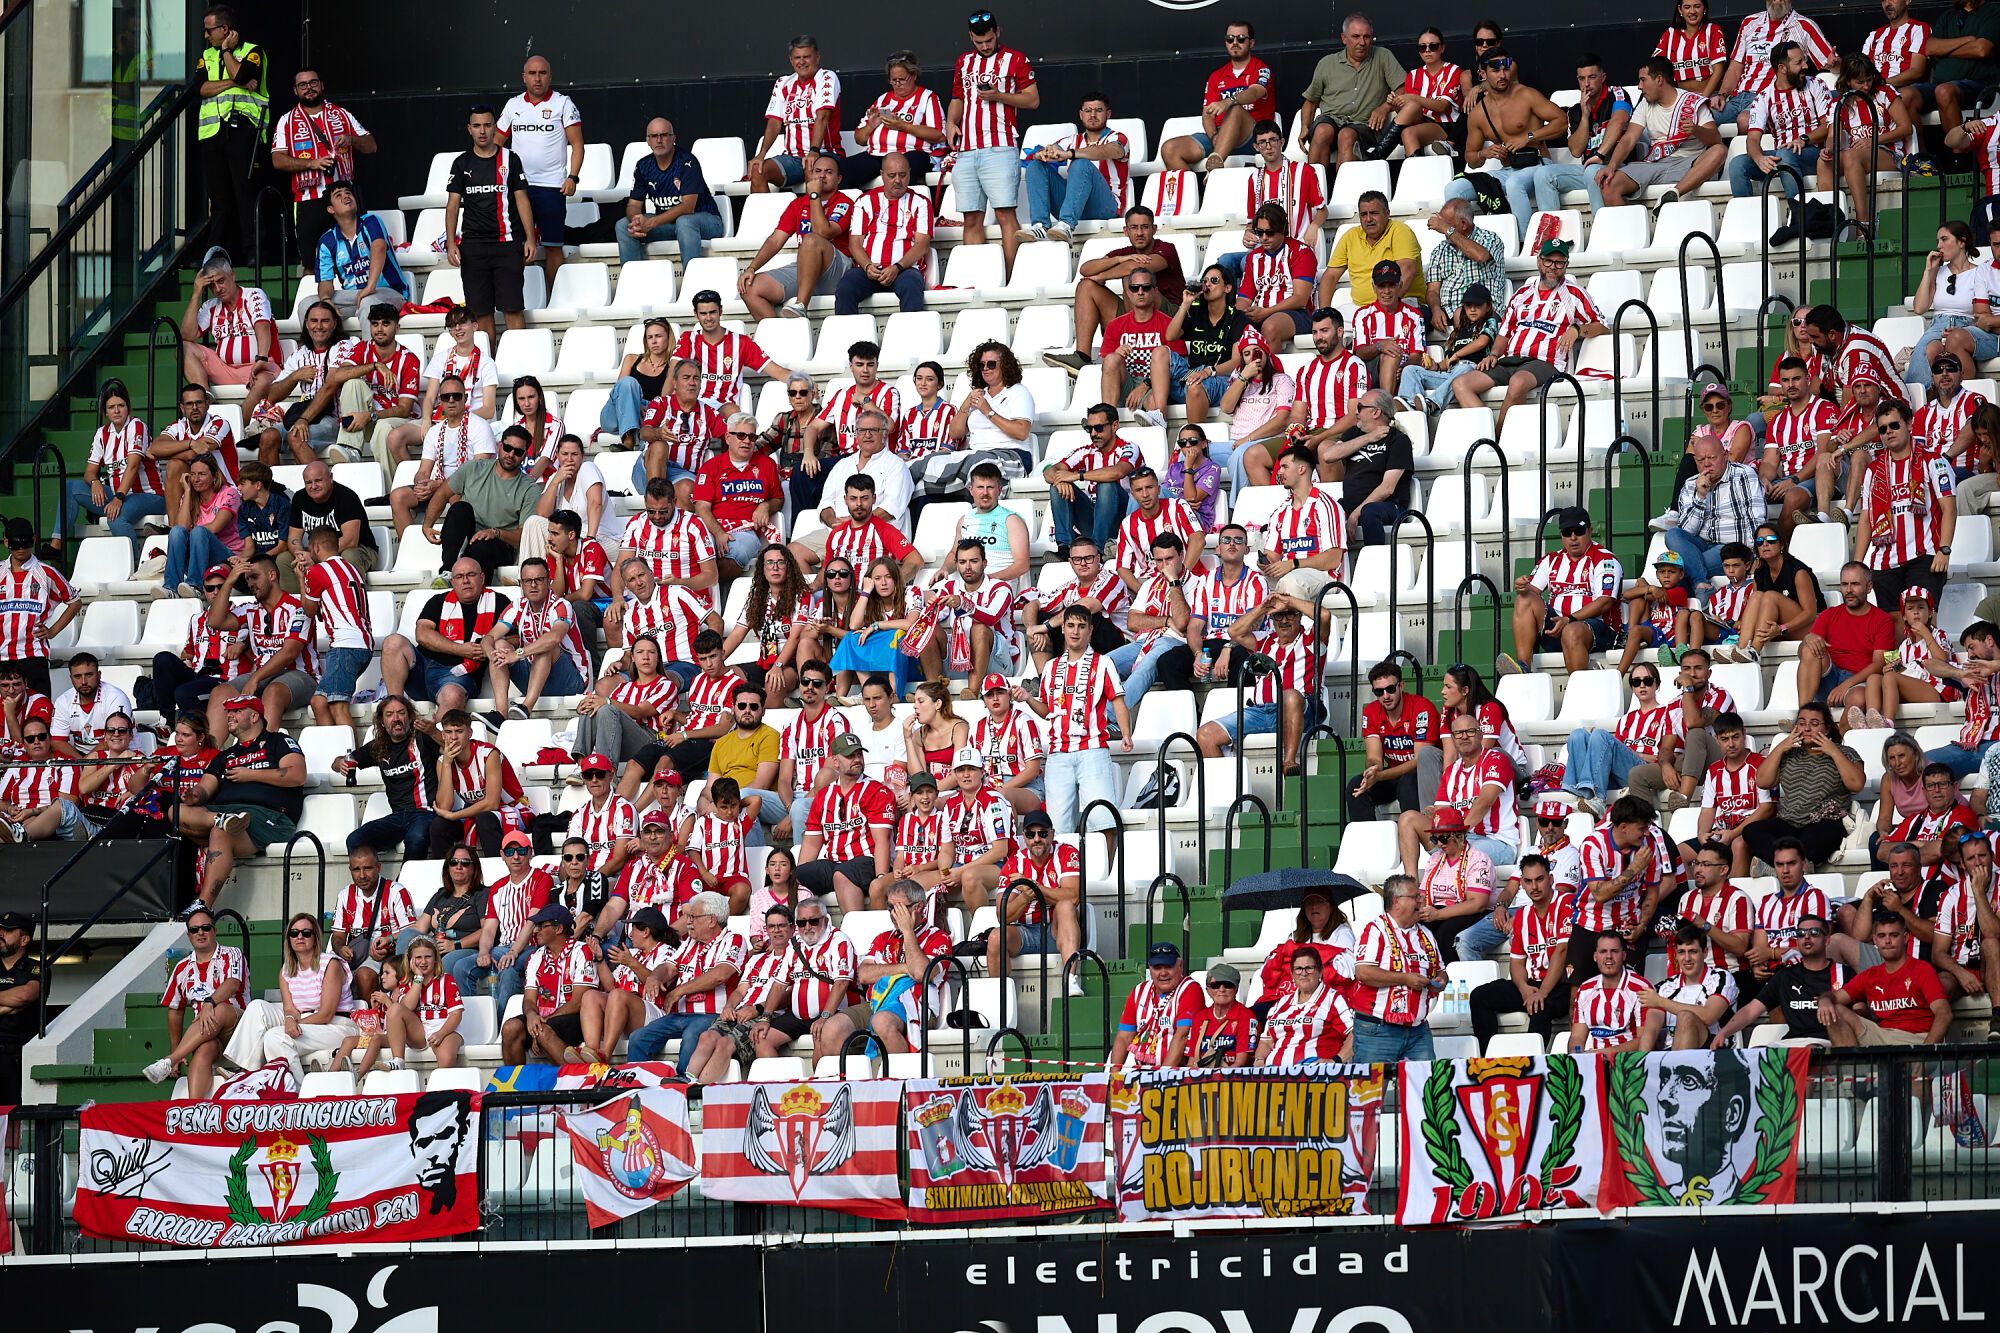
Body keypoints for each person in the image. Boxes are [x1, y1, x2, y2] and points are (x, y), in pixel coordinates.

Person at [1014, 604, 1133, 859]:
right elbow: (1047, 711)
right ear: (1064, 630)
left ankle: (1106, 872)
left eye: (1081, 626)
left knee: (1101, 816)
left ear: (1090, 630)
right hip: (1058, 754)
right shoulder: (1051, 667)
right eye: (1070, 626)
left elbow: (1118, 700)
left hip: (1092, 749)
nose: (1075, 632)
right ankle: (1064, 874)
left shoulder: (1103, 663)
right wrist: (1027, 699)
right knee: (1057, 822)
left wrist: (1125, 734)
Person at [1452, 240, 1608, 430]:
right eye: (1548, 261)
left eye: (1559, 263)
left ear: (1566, 265)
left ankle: (1499, 438)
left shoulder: (1574, 294)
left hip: (1545, 361)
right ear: (1539, 261)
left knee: (1517, 382)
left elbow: (1602, 325)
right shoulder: (1522, 294)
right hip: (1510, 360)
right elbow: (1504, 333)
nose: (1553, 267)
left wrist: (1576, 330)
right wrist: (1493, 354)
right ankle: (1487, 434)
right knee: (1461, 384)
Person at [1043, 207, 1185, 376]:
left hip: (1170, 318)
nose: (1139, 233)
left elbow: (1137, 268)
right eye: (1134, 227)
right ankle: (1082, 356)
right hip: (1133, 315)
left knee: (1133, 278)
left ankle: (1137, 341)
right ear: (1126, 231)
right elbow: (1085, 269)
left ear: (1154, 229)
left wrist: (1103, 276)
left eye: (1145, 227)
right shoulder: (1125, 253)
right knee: (1086, 286)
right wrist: (1119, 259)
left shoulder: (1167, 249)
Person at [1446, 49, 1567, 240]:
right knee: (1454, 189)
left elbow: (1561, 122)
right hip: (1507, 171)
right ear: (1482, 74)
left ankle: (1526, 244)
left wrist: (1528, 136)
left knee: (1514, 183)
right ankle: (1467, 244)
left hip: (1538, 165)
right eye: (1496, 70)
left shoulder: (1526, 94)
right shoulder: (1478, 112)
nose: (1503, 75)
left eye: (1506, 69)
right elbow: (1471, 157)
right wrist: (1484, 154)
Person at [443, 104, 539, 341]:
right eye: (477, 126)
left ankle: (519, 362)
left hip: (507, 244)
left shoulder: (510, 159)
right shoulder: (461, 163)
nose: (482, 131)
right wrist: (450, 242)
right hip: (473, 247)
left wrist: (529, 238)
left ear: (495, 127)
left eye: (487, 125)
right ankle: (490, 365)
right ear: (469, 129)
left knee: (513, 308)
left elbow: (522, 200)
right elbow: (452, 205)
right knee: (480, 313)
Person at [223, 913, 358, 1078]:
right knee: (257, 1006)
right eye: (294, 933)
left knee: (275, 1036)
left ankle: (296, 1090)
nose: (299, 936)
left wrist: (293, 1024)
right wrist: (289, 1019)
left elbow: (326, 1014)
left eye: (306, 933)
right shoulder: (286, 970)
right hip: (306, 1022)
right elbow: (290, 1009)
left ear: (315, 937)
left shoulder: (331, 964)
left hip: (337, 1026)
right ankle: (248, 1072)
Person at [201, 551, 317, 738]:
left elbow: (289, 652)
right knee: (220, 692)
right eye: (246, 579)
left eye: (254, 577)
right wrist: (229, 582)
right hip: (264, 675)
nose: (250, 584)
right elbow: (214, 621)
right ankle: (211, 758)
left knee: (273, 691)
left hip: (301, 675)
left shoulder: (297, 608)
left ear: (272, 575)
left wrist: (255, 679)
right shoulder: (250, 609)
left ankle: (264, 753)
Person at [1498, 506, 1621, 677]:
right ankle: (1523, 668)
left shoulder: (1605, 559)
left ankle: (1578, 689)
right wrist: (1521, 587)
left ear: (1590, 531)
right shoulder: (1551, 560)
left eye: (1578, 531)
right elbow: (1530, 591)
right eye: (1566, 532)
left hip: (1599, 630)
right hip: (1558, 629)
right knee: (1524, 599)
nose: (1573, 538)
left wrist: (1569, 619)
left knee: (1572, 631)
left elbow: (1605, 601)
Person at [495, 56, 584, 286]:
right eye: (532, 73)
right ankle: (526, 298)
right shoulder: (513, 105)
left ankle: (555, 298)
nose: (537, 78)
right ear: (523, 77)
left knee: (554, 246)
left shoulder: (563, 103)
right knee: (519, 247)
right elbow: (496, 144)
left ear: (550, 76)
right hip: (518, 187)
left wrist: (572, 176)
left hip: (552, 186)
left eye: (542, 73)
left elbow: (577, 145)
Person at [1470, 854, 1574, 1048]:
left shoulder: (1566, 903)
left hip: (1563, 984)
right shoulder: (1521, 916)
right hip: (1533, 984)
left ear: (1551, 879)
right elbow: (1516, 963)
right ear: (1522, 885)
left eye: (1539, 879)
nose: (1534, 887)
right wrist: (1524, 988)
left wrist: (1541, 992)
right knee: (1480, 996)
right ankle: (1487, 1060)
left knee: (1539, 1007)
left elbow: (1562, 951)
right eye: (1528, 881)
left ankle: (1532, 1066)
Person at [1743, 701, 1865, 866]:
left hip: (1824, 822)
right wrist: (1779, 749)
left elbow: (1856, 785)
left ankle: (1782, 866)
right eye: (1801, 723)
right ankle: (1786, 865)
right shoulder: (1789, 753)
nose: (1806, 728)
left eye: (1814, 724)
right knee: (1752, 831)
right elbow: (1763, 781)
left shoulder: (1846, 752)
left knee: (1814, 839)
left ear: (1827, 728)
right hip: (1789, 822)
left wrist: (1833, 752)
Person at [141, 907, 247, 1095]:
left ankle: (170, 1059)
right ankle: (194, 1112)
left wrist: (209, 1004)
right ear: (188, 935)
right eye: (194, 929)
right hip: (206, 1032)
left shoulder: (232, 954)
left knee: (219, 1009)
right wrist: (176, 1045)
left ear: (215, 930)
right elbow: (175, 1009)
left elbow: (232, 984)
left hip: (238, 1029)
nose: (200, 932)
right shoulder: (182, 968)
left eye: (206, 928)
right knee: (203, 1050)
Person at [193, 4, 266, 264]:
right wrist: (235, 81)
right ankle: (213, 254)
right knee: (219, 198)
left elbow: (244, 73)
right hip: (213, 133)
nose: (205, 35)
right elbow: (200, 88)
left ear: (224, 29)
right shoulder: (206, 56)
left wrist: (226, 52)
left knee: (244, 192)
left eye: (209, 30)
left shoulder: (252, 51)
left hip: (243, 129)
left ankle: (252, 252)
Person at [1601, 57, 1727, 206]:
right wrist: (1612, 166)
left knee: (1720, 150)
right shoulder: (1644, 104)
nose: (1639, 86)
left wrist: (1696, 130)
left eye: (1643, 80)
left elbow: (1715, 140)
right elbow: (1629, 139)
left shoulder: (1692, 102)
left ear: (1659, 80)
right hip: (1654, 164)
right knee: (1609, 185)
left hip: (1688, 165)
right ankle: (1632, 229)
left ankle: (1674, 194)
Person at [1350, 877, 1447, 1062]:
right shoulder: (1375, 930)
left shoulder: (1426, 934)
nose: (1421, 900)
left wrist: (1441, 980)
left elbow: (1440, 970)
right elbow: (1363, 973)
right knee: (1371, 1091)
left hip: (1418, 1030)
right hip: (1378, 1030)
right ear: (1396, 901)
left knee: (1426, 1089)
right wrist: (1405, 979)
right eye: (1415, 896)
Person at [1159, 21, 1277, 172]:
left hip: (1252, 136)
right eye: (1230, 39)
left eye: (1241, 39)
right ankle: (1200, 194)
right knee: (1170, 149)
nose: (1235, 43)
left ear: (1251, 43)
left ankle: (1214, 170)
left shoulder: (1261, 69)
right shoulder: (1216, 76)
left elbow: (1254, 92)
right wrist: (1214, 135)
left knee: (1235, 110)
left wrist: (1228, 101)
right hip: (1221, 135)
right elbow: (1207, 114)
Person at [500, 903, 607, 1066]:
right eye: (536, 926)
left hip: (575, 1019)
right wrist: (531, 1016)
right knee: (510, 1028)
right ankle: (515, 1086)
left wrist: (543, 1022)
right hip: (544, 1019)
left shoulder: (582, 951)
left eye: (542, 926)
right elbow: (529, 999)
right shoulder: (534, 957)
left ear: (558, 929)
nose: (535, 930)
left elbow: (578, 1001)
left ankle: (575, 1081)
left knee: (542, 1030)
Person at [1820, 912, 1951, 1044]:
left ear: (1905, 938)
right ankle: (1855, 1065)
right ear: (1875, 940)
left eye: (1894, 935)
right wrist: (1825, 1000)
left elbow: (1944, 1014)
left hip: (1916, 1039)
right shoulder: (1869, 975)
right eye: (1882, 936)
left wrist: (1925, 1053)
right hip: (1882, 1037)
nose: (1887, 941)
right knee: (1835, 1011)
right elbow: (1835, 997)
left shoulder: (1922, 969)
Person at [1726, 42, 1833, 200]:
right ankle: (1749, 218)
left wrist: (1804, 139)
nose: (1805, 66)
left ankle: (1798, 214)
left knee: (1786, 154)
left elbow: (1828, 126)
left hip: (1814, 154)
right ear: (1782, 68)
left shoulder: (1816, 85)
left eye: (1804, 60)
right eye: (1799, 62)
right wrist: (1759, 158)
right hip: (1782, 156)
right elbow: (1753, 140)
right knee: (1737, 165)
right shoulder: (1763, 97)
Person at [1296, 13, 1404, 165]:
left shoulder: (1383, 56)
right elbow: (1311, 101)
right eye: (1356, 36)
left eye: (1367, 37)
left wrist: (1385, 108)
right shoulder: (1327, 63)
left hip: (1364, 125)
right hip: (1330, 119)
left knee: (1346, 135)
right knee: (1321, 132)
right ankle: (1315, 187)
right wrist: (1305, 128)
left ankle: (1344, 189)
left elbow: (1404, 90)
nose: (1362, 42)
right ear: (1344, 38)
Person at [1023, 92, 1127, 243]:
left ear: (1108, 114)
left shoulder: (1118, 138)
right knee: (1035, 166)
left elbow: (1111, 150)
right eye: (1088, 111)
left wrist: (1070, 154)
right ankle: (1040, 226)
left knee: (1080, 163)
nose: (1092, 115)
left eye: (1098, 110)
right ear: (1080, 114)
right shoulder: (1070, 140)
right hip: (1075, 204)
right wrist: (1042, 154)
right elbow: (1041, 154)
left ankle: (1066, 225)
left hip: (1106, 207)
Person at [1712, 0, 1836, 129]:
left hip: (1771, 99)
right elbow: (1735, 68)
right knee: (1702, 118)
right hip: (1738, 98)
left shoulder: (1805, 26)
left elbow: (1831, 62)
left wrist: (1835, 64)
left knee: (1745, 120)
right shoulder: (1749, 22)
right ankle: (1718, 149)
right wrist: (1722, 95)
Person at [837, 153, 933, 314]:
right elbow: (855, 243)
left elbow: (922, 244)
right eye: (892, 175)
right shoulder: (864, 201)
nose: (898, 180)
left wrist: (897, 267)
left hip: (905, 270)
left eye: (903, 175)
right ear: (882, 175)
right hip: (869, 270)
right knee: (846, 287)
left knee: (912, 285)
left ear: (909, 173)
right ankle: (849, 338)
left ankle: (912, 338)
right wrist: (867, 266)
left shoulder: (921, 202)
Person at [620, 118, 724, 264]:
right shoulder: (643, 166)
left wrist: (651, 222)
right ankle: (634, 282)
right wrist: (636, 220)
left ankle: (691, 282)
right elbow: (633, 205)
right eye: (654, 136)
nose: (659, 140)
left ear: (673, 138)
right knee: (624, 226)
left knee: (685, 222)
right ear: (647, 141)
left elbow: (688, 207)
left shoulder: (687, 162)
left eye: (664, 135)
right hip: (668, 224)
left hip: (706, 222)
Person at [748, 35, 843, 194]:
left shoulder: (827, 77)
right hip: (792, 158)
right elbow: (774, 122)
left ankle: (810, 218)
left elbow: (823, 117)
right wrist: (761, 155)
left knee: (811, 167)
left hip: (824, 153)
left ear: (817, 58)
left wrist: (814, 151)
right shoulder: (783, 83)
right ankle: (769, 219)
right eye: (797, 57)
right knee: (758, 170)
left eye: (807, 57)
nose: (802, 61)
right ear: (791, 60)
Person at [180, 249, 275, 405]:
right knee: (183, 346)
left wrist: (262, 358)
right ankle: (205, 397)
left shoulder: (253, 295)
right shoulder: (210, 306)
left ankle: (242, 424)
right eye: (212, 285)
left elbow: (263, 326)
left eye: (221, 281)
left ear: (233, 275)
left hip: (259, 367)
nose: (218, 289)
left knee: (263, 381)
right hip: (226, 370)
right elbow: (187, 335)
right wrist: (196, 293)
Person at [1797, 561, 1898, 706]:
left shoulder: (1883, 620)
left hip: (1859, 682)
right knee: (1809, 648)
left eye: (1855, 584)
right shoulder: (1828, 615)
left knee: (1859, 698)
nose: (1849, 590)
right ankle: (1804, 713)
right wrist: (1807, 639)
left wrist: (1846, 685)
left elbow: (1879, 663)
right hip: (1828, 678)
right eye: (1844, 584)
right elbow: (1803, 654)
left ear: (1869, 587)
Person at [1350, 661, 1441, 822]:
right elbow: (1374, 757)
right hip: (1392, 774)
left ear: (1401, 686)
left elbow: (1419, 760)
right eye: (1379, 691)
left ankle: (1420, 839)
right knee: (1356, 785)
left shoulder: (1422, 709)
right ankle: (1368, 843)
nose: (1385, 696)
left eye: (1390, 689)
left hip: (1423, 774)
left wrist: (1381, 775)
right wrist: (1373, 770)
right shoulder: (1371, 711)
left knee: (1407, 782)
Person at [1042, 403, 1138, 554]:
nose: (1093, 433)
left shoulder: (1129, 447)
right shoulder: (1086, 451)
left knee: (1106, 485)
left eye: (1098, 428)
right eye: (1089, 429)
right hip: (1093, 519)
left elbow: (1118, 472)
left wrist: (1077, 476)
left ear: (1114, 426)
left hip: (1124, 520)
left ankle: (1098, 549)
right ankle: (1064, 548)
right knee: (1056, 486)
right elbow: (1049, 471)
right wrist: (1059, 480)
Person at [848, 52, 947, 185]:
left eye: (902, 79)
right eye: (893, 80)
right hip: (877, 155)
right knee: (841, 170)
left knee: (902, 167)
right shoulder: (883, 99)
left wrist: (903, 126)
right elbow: (859, 139)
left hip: (911, 154)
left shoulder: (927, 98)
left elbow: (939, 135)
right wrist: (870, 126)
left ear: (914, 75)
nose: (897, 84)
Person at [311, 181, 407, 319]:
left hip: (390, 293)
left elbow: (379, 247)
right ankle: (332, 341)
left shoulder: (370, 221)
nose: (346, 196)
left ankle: (368, 342)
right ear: (331, 209)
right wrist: (326, 301)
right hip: (354, 298)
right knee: (309, 305)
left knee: (368, 302)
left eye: (348, 193)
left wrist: (370, 287)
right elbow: (325, 282)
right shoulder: (326, 241)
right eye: (339, 195)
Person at [1107, 940, 1202, 1069]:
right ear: (1150, 969)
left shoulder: (1190, 989)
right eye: (1157, 968)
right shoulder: (1139, 991)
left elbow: (1182, 1036)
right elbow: (1124, 1037)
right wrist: (1114, 1076)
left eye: (1168, 966)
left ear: (1180, 965)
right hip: (1143, 1072)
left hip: (1177, 1073)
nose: (1163, 973)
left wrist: (1161, 1077)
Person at [1319, 191, 1421, 309]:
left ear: (1387, 213)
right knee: (1332, 324)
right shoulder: (1350, 236)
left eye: (1374, 213)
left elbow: (1407, 270)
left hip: (1401, 303)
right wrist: (1324, 313)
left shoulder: (1400, 231)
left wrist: (1384, 308)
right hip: (1360, 308)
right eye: (1363, 214)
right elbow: (1330, 276)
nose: (1368, 219)